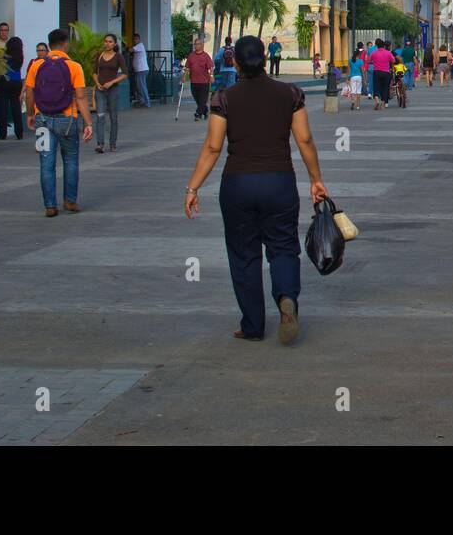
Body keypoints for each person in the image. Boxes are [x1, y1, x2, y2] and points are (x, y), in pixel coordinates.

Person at [185, 35, 330, 344]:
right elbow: (304, 140)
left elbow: (212, 147)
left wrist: (193, 187)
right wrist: (316, 179)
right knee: (283, 247)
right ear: (265, 59)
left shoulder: (224, 97)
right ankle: (287, 298)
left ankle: (252, 325)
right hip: (279, 182)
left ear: (234, 62)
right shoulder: (290, 93)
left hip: (238, 184)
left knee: (244, 254)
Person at [25, 28, 94, 217]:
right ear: (66, 44)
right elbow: (80, 97)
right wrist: (88, 122)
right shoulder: (74, 67)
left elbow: (29, 92)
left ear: (48, 45)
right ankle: (70, 201)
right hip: (68, 120)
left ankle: (50, 205)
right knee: (71, 160)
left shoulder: (36, 65)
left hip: (42, 120)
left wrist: (30, 114)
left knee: (46, 162)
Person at [93, 33, 129, 153]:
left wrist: (112, 82)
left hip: (113, 89)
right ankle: (100, 144)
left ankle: (113, 143)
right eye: (106, 41)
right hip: (100, 90)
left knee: (113, 117)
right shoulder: (100, 55)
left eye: (110, 42)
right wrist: (97, 83)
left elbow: (125, 73)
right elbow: (94, 72)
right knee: (100, 116)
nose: (107, 44)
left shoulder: (118, 57)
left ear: (114, 44)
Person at [0, 36, 26, 141]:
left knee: (3, 109)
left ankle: (2, 133)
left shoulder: (4, 56)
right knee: (16, 108)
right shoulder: (20, 57)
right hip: (16, 83)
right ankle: (19, 133)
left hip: (4, 81)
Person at [185, 37, 214, 121]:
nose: (196, 46)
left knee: (202, 99)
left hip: (204, 81)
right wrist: (184, 77)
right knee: (197, 99)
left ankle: (198, 113)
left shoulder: (205, 56)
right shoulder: (191, 56)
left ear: (202, 45)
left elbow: (211, 67)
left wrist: (211, 76)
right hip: (194, 81)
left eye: (198, 44)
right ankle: (205, 111)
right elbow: (187, 67)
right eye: (195, 44)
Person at [370, 38, 394, 110]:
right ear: (383, 45)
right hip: (386, 72)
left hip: (377, 72)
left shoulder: (374, 53)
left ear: (376, 45)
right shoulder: (388, 53)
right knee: (385, 88)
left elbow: (368, 60)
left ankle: (377, 100)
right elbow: (393, 60)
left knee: (376, 87)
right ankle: (383, 104)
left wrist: (373, 62)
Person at [129, 33, 151, 107]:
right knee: (139, 86)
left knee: (142, 86)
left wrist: (126, 47)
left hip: (141, 69)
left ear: (139, 39)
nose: (135, 41)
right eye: (134, 39)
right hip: (139, 70)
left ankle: (147, 102)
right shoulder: (138, 46)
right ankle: (142, 101)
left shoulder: (140, 46)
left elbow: (131, 50)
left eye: (136, 39)